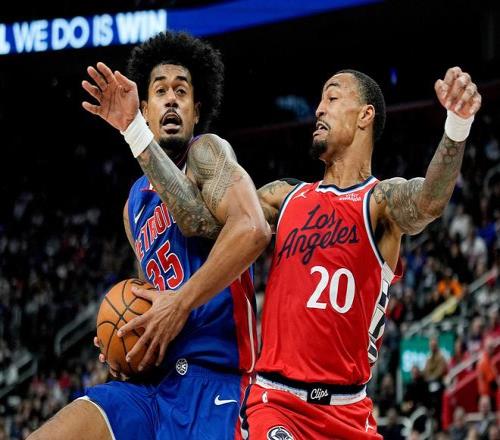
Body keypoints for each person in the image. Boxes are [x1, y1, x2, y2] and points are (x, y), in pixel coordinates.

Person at [28, 31, 269, 440]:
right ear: (144, 109)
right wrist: (125, 340)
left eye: (181, 91)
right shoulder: (133, 205)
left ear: (196, 112)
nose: (171, 99)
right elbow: (149, 298)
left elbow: (252, 229)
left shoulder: (206, 154)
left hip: (218, 384)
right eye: (160, 91)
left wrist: (180, 302)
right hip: (154, 390)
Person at [235, 66, 481, 438]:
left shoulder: (380, 202)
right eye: (320, 100)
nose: (319, 109)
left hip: (350, 412)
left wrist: (457, 124)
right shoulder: (283, 197)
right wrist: (145, 137)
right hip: (278, 403)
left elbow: (429, 201)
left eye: (332, 97)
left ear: (366, 115)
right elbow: (211, 224)